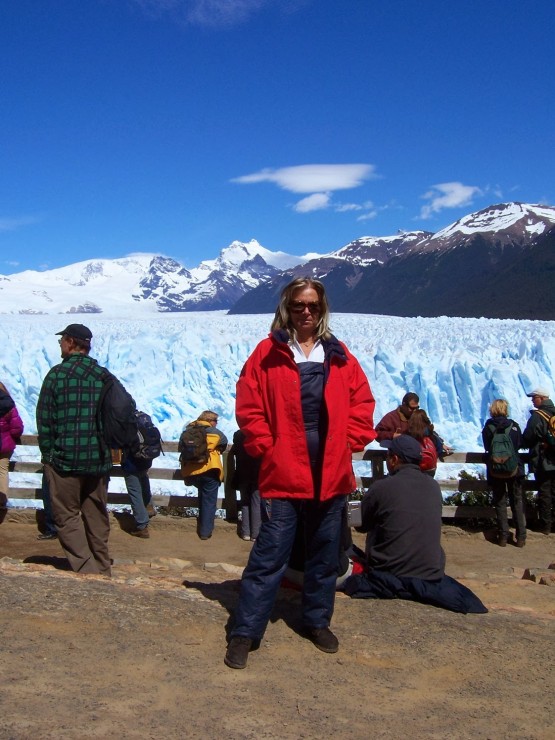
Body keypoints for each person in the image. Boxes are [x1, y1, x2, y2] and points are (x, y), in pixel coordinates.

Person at [225, 277, 376, 670]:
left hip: (330, 470)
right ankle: (245, 631)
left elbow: (362, 400)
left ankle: (316, 621)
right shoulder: (268, 353)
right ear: (286, 308)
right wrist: (265, 446)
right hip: (284, 470)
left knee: (325, 554)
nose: (305, 312)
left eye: (312, 305)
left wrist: (350, 441)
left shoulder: (339, 355)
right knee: (269, 554)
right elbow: (248, 403)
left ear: (322, 308)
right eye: (298, 305)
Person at [341, 435, 487, 614]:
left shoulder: (382, 487)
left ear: (394, 460)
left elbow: (360, 525)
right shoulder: (433, 487)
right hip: (430, 574)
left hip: (388, 571)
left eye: (388, 457)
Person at [36, 323, 114, 576]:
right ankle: (103, 565)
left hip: (65, 459)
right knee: (96, 513)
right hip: (98, 458)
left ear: (70, 342)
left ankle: (86, 569)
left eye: (62, 341)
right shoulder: (103, 375)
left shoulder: (56, 375)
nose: (60, 344)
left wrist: (47, 456)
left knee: (66, 516)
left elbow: (45, 419)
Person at [482, 399, 526, 547]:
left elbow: (487, 446)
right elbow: (520, 444)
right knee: (517, 502)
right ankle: (521, 537)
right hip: (514, 469)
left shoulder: (488, 427)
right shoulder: (514, 426)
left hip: (495, 469)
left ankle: (503, 536)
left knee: (500, 502)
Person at [180, 410, 228, 540]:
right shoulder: (214, 432)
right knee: (209, 501)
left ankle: (201, 524)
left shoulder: (188, 429)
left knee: (202, 496)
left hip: (191, 471)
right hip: (209, 469)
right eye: (216, 421)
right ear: (210, 421)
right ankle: (205, 532)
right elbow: (224, 441)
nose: (216, 424)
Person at [522, 387, 555, 535]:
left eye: (533, 397)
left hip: (544, 461)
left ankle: (545, 526)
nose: (532, 400)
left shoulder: (538, 416)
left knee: (545, 493)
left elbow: (528, 437)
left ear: (541, 398)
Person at [230, 429, 261, 541]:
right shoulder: (259, 432)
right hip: (257, 473)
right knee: (256, 502)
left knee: (245, 502)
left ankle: (245, 532)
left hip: (242, 473)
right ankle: (256, 533)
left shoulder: (238, 434)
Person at [122, 447, 156, 539]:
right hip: (145, 460)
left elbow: (120, 440)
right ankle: (149, 508)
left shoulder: (128, 432)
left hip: (131, 464)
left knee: (135, 493)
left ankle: (142, 527)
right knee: (144, 480)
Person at [0, 381, 24, 509]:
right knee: (2, 472)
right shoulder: (9, 406)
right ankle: (1, 502)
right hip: (4, 446)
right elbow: (17, 428)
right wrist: (10, 436)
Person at [407, 408, 439, 477]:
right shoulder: (432, 434)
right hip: (431, 469)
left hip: (415, 469)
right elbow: (439, 448)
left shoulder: (409, 435)